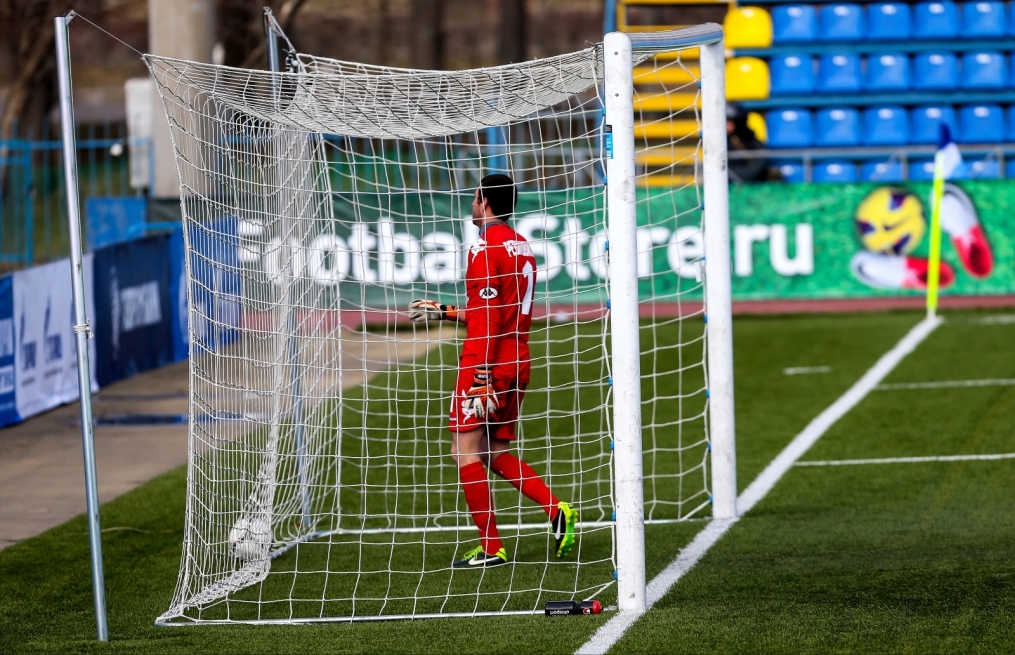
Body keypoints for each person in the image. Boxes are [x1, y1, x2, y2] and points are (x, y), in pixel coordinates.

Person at [407, 174, 577, 568]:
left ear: (484, 201)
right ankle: (556, 510)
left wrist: (481, 376)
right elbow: (497, 311)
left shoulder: (485, 245)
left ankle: (490, 547)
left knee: (463, 450)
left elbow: (487, 320)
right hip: (518, 359)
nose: (471, 205)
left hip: (488, 363)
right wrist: (445, 311)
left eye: (473, 198)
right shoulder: (521, 246)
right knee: (493, 450)